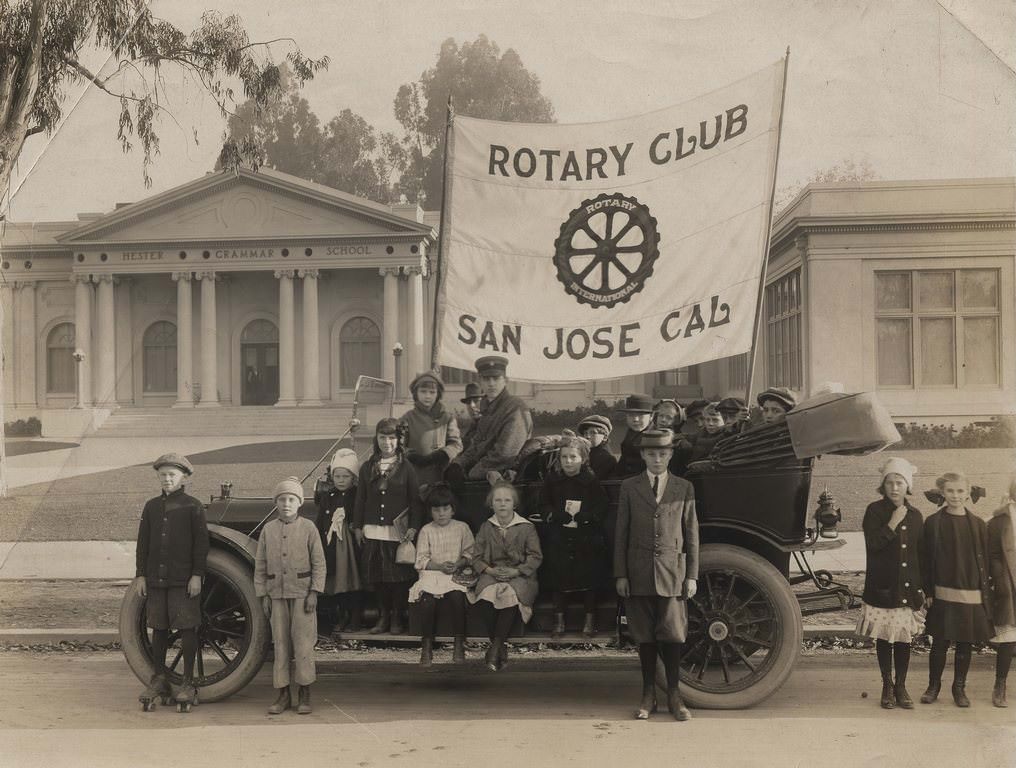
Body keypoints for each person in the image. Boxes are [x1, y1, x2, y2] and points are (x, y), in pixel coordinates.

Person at [615, 428, 699, 722]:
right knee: (645, 637)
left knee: (673, 635)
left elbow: (691, 535)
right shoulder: (629, 487)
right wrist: (621, 574)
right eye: (651, 454)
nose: (657, 459)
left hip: (672, 573)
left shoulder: (683, 487)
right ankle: (648, 695)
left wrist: (692, 576)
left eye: (663, 454)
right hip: (638, 573)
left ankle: (675, 696)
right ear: (642, 456)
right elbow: (621, 534)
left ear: (671, 455)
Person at [135, 453, 208, 713]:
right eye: (163, 475)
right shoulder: (151, 506)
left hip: (183, 581)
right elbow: (143, 543)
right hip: (156, 580)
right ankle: (159, 679)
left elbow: (201, 545)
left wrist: (197, 575)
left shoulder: (193, 507)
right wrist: (141, 575)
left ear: (184, 477)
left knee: (187, 628)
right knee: (159, 627)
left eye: (172, 475)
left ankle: (187, 683)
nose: (167, 479)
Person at [856, 458, 925, 709]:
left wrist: (922, 588)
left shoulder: (917, 516)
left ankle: (901, 685)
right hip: (882, 589)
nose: (894, 488)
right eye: (889, 483)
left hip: (907, 589)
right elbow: (873, 545)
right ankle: (886, 684)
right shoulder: (874, 511)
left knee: (904, 639)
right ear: (882, 486)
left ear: (908, 486)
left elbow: (921, 556)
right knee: (885, 638)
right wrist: (893, 523)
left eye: (900, 483)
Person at [920, 471, 994, 707]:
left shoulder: (978, 525)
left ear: (968, 492)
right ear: (942, 493)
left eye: (960, 491)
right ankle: (934, 685)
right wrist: (928, 591)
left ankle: (959, 687)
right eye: (950, 491)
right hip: (942, 591)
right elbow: (925, 560)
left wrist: (986, 591)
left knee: (965, 642)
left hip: (970, 592)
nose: (955, 496)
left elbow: (986, 561)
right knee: (939, 642)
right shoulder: (933, 523)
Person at [254, 477, 326, 715]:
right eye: (282, 499)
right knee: (281, 644)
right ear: (276, 503)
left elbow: (319, 562)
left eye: (291, 499)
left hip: (303, 597)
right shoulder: (268, 530)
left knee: (303, 644)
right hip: (276, 596)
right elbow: (261, 564)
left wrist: (314, 591)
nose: (286, 504)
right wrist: (263, 594)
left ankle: (304, 693)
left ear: (299, 503)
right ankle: (283, 694)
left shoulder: (308, 528)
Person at [351, 418, 424, 635]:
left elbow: (415, 500)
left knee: (397, 579)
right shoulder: (367, 467)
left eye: (391, 438)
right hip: (373, 530)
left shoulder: (406, 467)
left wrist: (413, 526)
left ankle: (396, 618)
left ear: (398, 440)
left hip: (397, 533)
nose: (387, 442)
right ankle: (382, 616)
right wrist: (357, 527)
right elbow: (360, 499)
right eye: (382, 437)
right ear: (377, 439)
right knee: (378, 578)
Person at [539, 434, 609, 638]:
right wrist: (553, 514)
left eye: (573, 457)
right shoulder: (553, 480)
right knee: (558, 576)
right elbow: (543, 503)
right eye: (564, 457)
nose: (568, 462)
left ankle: (589, 619)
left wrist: (588, 517)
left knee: (589, 576)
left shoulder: (591, 481)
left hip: (585, 536)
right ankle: (558, 619)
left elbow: (601, 505)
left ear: (583, 459)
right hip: (560, 535)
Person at [469, 481, 543, 671]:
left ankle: (494, 648)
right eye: (498, 500)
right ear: (491, 504)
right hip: (492, 572)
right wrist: (489, 570)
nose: (502, 504)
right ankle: (499, 646)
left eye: (507, 500)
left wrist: (517, 571)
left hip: (520, 574)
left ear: (514, 504)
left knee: (509, 594)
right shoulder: (487, 527)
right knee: (486, 595)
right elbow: (476, 557)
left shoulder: (526, 527)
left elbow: (535, 557)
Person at [409, 482, 475, 665]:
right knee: (427, 601)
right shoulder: (426, 530)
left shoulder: (462, 528)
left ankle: (459, 643)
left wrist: (458, 563)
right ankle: (427, 646)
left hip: (456, 573)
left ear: (453, 510)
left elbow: (470, 553)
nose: (441, 513)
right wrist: (438, 566)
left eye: (445, 509)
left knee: (456, 598)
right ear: (430, 511)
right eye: (436, 510)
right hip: (433, 574)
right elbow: (420, 561)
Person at [448, 356, 532, 485]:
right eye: (486, 379)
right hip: (486, 474)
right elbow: (476, 446)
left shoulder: (515, 408)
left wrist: (470, 473)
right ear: (480, 381)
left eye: (496, 378)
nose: (491, 383)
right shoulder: (486, 407)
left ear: (505, 380)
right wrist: (458, 464)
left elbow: (504, 454)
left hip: (505, 480)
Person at [314, 448, 364, 634]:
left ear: (353, 478)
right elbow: (320, 522)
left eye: (346, 476)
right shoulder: (328, 497)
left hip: (349, 546)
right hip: (332, 545)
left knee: (352, 582)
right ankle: (340, 617)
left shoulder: (357, 496)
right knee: (336, 583)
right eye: (338, 476)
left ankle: (355, 618)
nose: (341, 480)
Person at [400, 370, 463, 486]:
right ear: (416, 393)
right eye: (423, 391)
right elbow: (399, 445)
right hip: (415, 473)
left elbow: (456, 444)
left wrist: (443, 454)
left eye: (432, 392)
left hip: (440, 473)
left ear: (437, 394)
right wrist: (411, 455)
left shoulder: (447, 418)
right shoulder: (407, 418)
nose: (427, 396)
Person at [988, 476, 1016, 707]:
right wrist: (1001, 580)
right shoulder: (1000, 520)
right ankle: (1000, 684)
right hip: (1009, 582)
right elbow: (994, 554)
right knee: (1009, 638)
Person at [612, 394, 655, 477]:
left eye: (640, 415)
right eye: (631, 415)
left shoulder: (655, 438)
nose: (635, 419)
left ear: (651, 416)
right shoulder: (631, 433)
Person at [577, 414, 618, 481]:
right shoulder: (583, 452)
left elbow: (591, 480)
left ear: (604, 437)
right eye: (585, 433)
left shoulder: (606, 459)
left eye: (592, 433)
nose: (588, 436)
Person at [459, 382, 484, 451]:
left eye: (476, 401)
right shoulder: (473, 425)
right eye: (468, 402)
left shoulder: (490, 425)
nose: (472, 405)